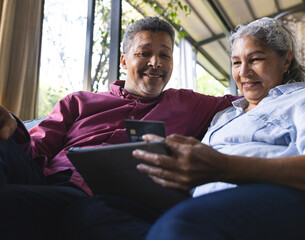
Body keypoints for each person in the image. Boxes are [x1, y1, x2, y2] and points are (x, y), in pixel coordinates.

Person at [0, 17, 239, 240]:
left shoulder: (189, 104)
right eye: (144, 53)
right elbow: (34, 148)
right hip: (45, 178)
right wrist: (10, 125)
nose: (155, 63)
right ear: (125, 60)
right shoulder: (79, 101)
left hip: (94, 199)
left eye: (164, 56)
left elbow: (247, 94)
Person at [133, 17, 305, 240]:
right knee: (106, 209)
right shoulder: (224, 116)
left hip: (296, 206)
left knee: (180, 225)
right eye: (236, 62)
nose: (244, 73)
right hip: (205, 206)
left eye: (256, 59)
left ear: (286, 61)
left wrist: (223, 166)